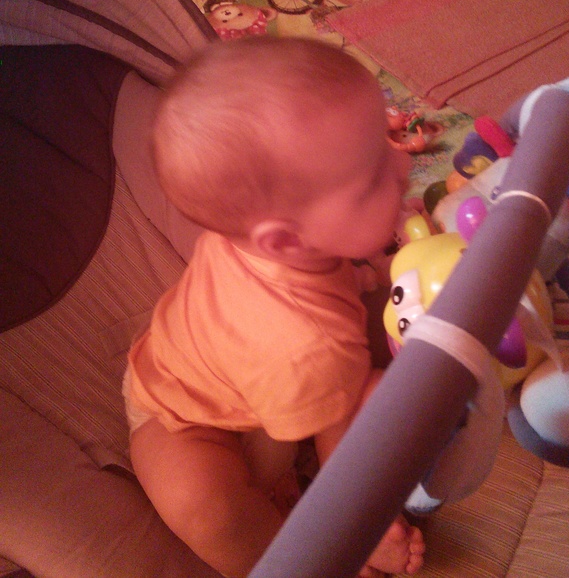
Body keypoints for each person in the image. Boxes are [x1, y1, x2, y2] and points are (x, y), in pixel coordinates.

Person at [124, 36, 425, 578]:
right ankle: (308, 558)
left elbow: (336, 273)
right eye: (372, 180)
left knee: (383, 390)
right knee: (206, 511)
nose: (403, 164)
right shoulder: (309, 344)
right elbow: (343, 462)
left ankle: (288, 474)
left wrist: (372, 269)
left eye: (386, 142)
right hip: (182, 412)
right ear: (285, 242)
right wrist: (362, 525)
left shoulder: (266, 240)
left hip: (268, 385)